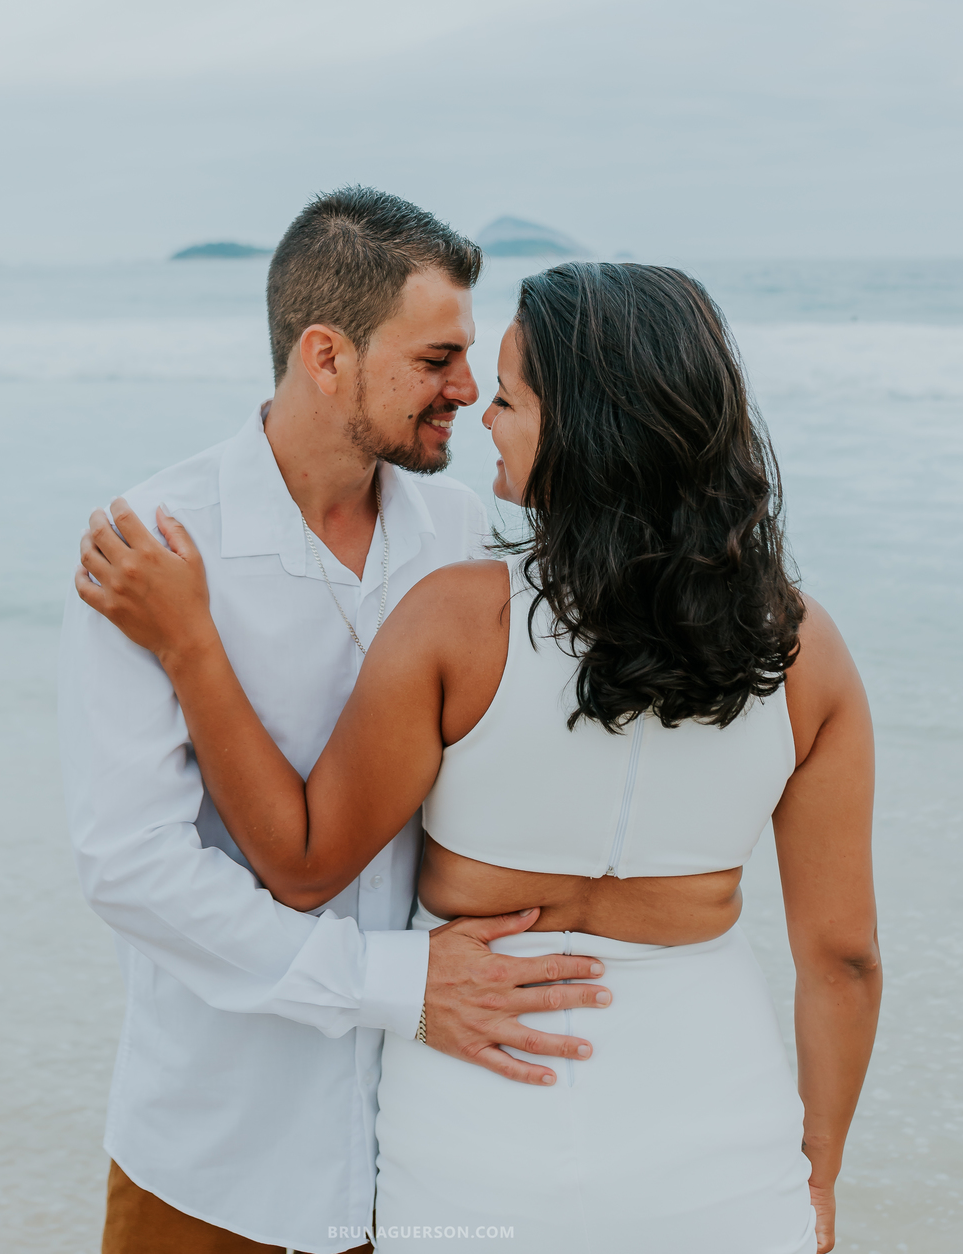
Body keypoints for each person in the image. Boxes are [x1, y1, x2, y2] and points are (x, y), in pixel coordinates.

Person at [77, 260, 881, 1254]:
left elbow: (301, 858)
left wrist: (193, 648)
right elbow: (843, 958)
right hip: (723, 1138)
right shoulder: (808, 651)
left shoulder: (459, 610)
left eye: (505, 394)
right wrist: (820, 1173)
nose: (480, 414)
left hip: (481, 1133)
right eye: (454, 367)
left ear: (583, 431)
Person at [59, 188, 615, 1254]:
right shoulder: (156, 549)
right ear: (326, 355)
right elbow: (130, 864)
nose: (468, 388)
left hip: (431, 1147)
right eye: (437, 358)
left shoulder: (471, 537)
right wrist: (396, 985)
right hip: (218, 1153)